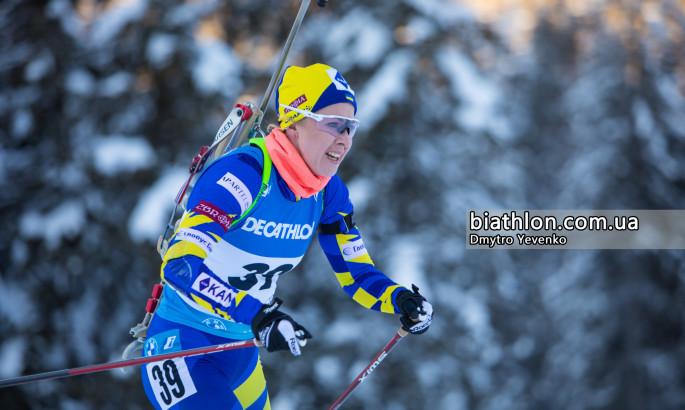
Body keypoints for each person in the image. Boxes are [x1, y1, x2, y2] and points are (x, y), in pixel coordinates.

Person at [140, 63, 434, 409]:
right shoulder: (243, 176)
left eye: (351, 127)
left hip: (239, 352)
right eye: (333, 124)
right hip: (182, 345)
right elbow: (179, 266)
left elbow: (356, 273)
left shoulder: (327, 193)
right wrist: (256, 314)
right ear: (294, 122)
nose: (344, 139)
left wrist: (399, 299)